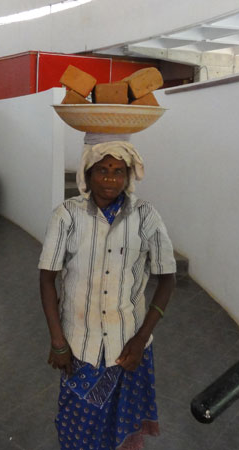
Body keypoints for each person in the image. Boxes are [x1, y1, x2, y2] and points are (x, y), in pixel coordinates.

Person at [39, 134, 176, 450]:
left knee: (120, 431)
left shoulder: (146, 216)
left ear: (128, 176)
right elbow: (47, 278)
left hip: (127, 348)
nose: (110, 179)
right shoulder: (67, 215)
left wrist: (141, 339)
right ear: (87, 175)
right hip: (79, 347)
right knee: (77, 428)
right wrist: (58, 340)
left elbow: (167, 279)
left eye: (118, 171)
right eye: (102, 170)